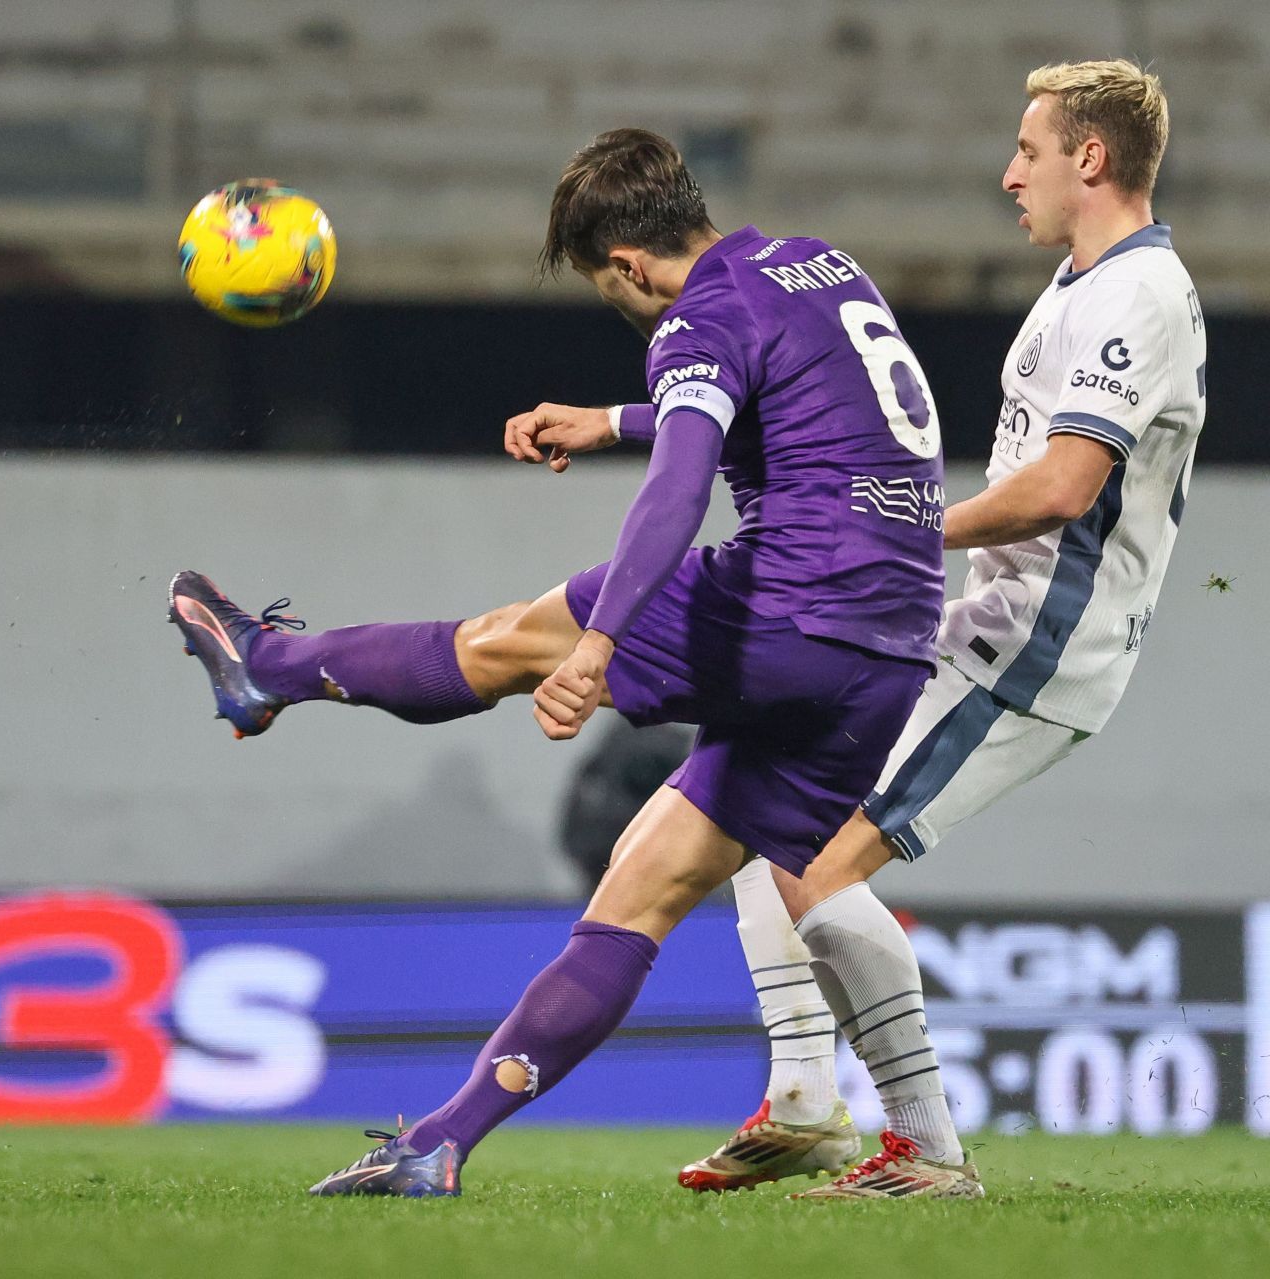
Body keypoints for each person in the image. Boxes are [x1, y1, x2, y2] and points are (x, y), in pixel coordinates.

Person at [166, 128, 947, 1197]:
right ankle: (439, 1143)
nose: (621, 306)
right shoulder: (813, 263)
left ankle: (270, 665)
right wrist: (612, 417)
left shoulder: (695, 321)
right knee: (642, 886)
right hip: (890, 645)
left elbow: (678, 489)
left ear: (627, 264)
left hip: (794, 599)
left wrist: (600, 642)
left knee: (506, 642)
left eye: (604, 288)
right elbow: (775, 397)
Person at [679, 59, 1203, 1199]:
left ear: (1092, 160)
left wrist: (908, 534)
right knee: (765, 798)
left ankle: (916, 1142)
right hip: (991, 620)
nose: (1009, 171)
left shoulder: (1135, 297)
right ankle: (816, 1099)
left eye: (1028, 149)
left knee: (810, 854)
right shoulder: (1082, 283)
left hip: (1039, 646)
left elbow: (1065, 487)